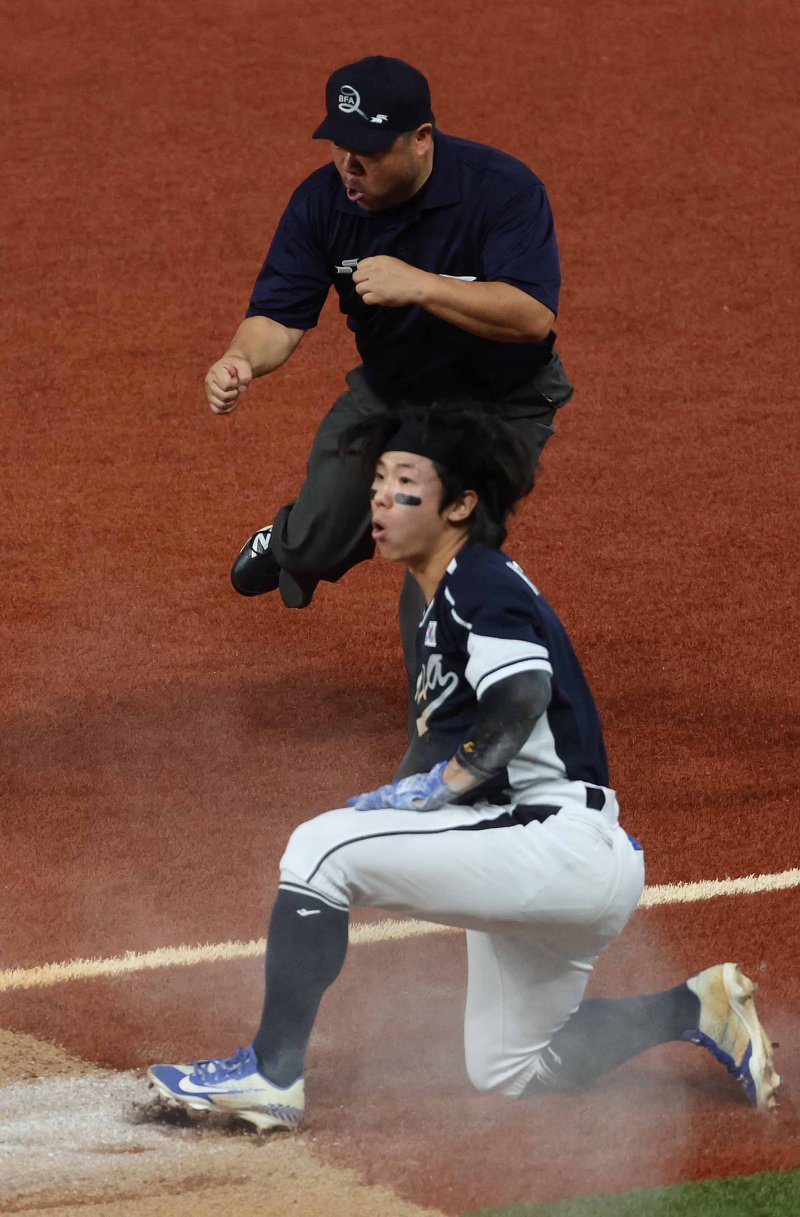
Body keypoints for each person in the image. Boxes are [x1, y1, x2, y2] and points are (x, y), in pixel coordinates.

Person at [147, 406, 780, 1131]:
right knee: (511, 1067)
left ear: (460, 505)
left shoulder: (476, 579)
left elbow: (523, 694)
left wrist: (446, 784)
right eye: (379, 482)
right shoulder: (434, 601)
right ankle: (692, 1006)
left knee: (318, 851)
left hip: (553, 843)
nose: (380, 499)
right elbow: (439, 745)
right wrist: (403, 801)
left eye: (405, 483)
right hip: (560, 858)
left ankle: (270, 1073)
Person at [206, 54, 574, 677]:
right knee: (318, 538)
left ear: (422, 140)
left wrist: (422, 286)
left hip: (498, 407)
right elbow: (279, 314)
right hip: (391, 392)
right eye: (339, 146)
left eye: (369, 151)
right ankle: (291, 543)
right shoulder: (322, 202)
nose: (349, 165)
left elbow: (532, 315)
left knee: (438, 567)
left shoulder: (502, 189)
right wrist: (241, 357)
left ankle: (440, 735)